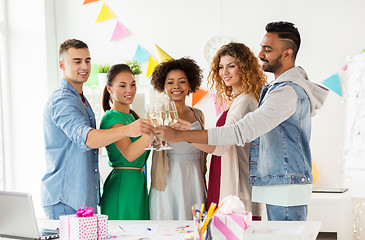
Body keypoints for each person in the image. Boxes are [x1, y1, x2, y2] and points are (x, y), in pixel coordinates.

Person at [155, 21, 329, 221]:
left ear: (287, 53)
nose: (261, 54)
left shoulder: (286, 92)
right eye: (262, 48)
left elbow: (238, 132)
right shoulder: (276, 90)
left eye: (268, 49)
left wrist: (182, 135)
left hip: (283, 183)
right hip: (279, 183)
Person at [41, 39, 153, 220]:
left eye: (87, 60)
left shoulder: (80, 100)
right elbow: (87, 139)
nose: (84, 66)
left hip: (83, 198)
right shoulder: (62, 100)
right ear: (62, 65)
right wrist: (127, 130)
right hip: (65, 199)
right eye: (77, 61)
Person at [183, 42, 265, 219]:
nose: (224, 72)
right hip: (223, 173)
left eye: (231, 66)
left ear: (244, 68)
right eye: (221, 67)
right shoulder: (238, 99)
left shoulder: (244, 101)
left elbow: (220, 146)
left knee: (231, 231)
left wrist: (184, 135)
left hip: (235, 181)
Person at [149, 57, 206, 220]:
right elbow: (152, 144)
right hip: (168, 179)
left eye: (182, 81)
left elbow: (205, 145)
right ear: (163, 86)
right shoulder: (158, 113)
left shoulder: (198, 114)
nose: (176, 87)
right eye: (170, 82)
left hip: (194, 178)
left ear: (190, 84)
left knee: (194, 226)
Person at [99, 64, 151, 220]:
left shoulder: (133, 118)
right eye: (123, 86)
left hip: (137, 184)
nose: (130, 90)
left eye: (133, 84)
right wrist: (153, 131)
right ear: (109, 89)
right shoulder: (112, 118)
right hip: (123, 187)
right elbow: (129, 154)